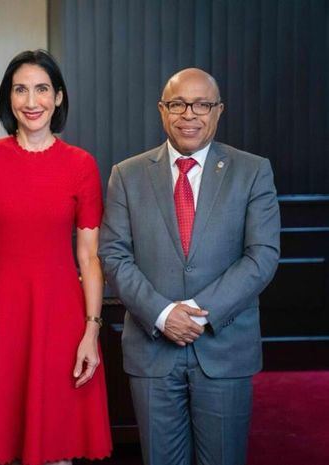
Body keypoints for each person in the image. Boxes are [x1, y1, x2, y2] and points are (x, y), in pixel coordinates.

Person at [99, 68, 280, 465]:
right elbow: (113, 254)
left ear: (218, 111)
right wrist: (164, 314)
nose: (189, 114)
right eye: (178, 104)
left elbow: (262, 255)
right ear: (163, 110)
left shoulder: (252, 171)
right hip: (152, 351)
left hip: (224, 348)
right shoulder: (126, 175)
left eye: (202, 104)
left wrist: (197, 315)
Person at [0, 50, 112, 465]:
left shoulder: (81, 165)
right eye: (20, 89)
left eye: (41, 89)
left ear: (58, 98)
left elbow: (89, 257)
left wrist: (91, 331)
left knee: (54, 446)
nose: (31, 101)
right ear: (8, 98)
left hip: (57, 318)